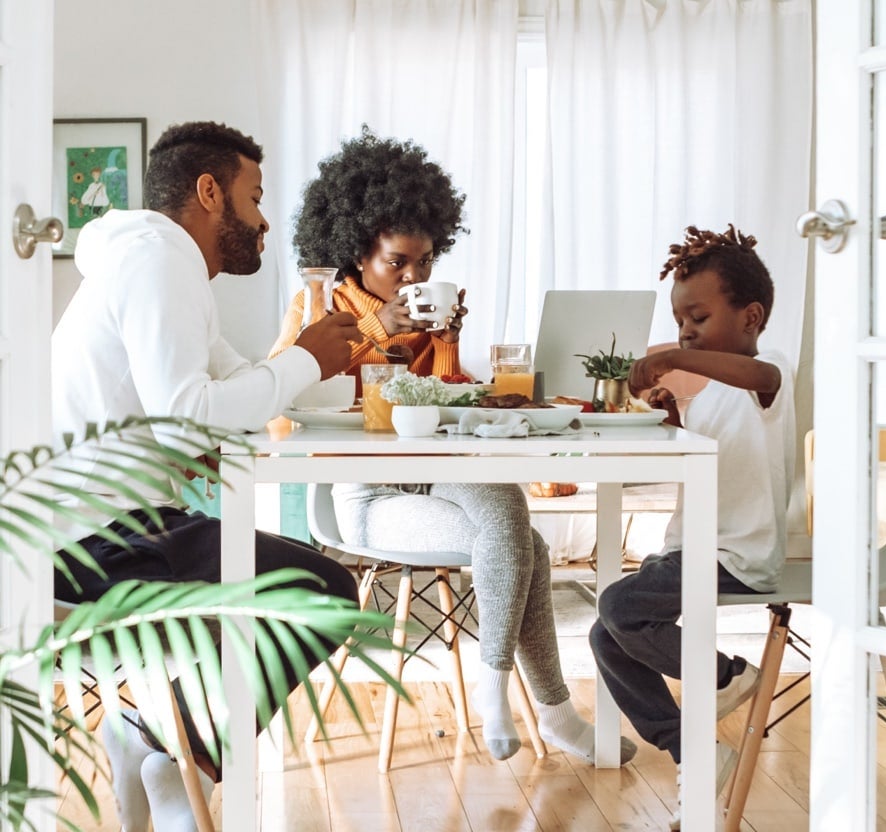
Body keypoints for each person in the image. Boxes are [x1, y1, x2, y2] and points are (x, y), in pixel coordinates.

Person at [269, 127, 635, 767]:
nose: (415, 276)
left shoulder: (424, 311)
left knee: (508, 511)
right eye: (398, 263)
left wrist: (445, 344)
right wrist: (378, 328)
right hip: (368, 492)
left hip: (436, 472)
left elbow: (440, 408)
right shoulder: (319, 306)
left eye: (426, 262)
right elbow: (284, 397)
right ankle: (546, 709)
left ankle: (499, 687)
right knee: (526, 541)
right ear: (357, 251)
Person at [51, 121, 363, 832]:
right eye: (254, 198)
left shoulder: (159, 265)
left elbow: (232, 391)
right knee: (322, 591)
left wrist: (312, 358)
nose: (262, 222)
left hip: (107, 523)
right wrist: (307, 360)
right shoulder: (159, 262)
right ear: (208, 191)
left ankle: (153, 741)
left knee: (301, 589)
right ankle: (168, 750)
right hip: (92, 538)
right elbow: (190, 412)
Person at [588, 224, 795, 829]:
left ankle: (730, 676)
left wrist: (675, 359)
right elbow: (706, 457)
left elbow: (758, 382)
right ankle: (695, 750)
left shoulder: (770, 373)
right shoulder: (710, 396)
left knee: (620, 609)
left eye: (698, 319)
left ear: (751, 317)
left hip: (736, 553)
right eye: (680, 322)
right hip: (690, 547)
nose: (684, 333)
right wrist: (674, 412)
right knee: (606, 636)